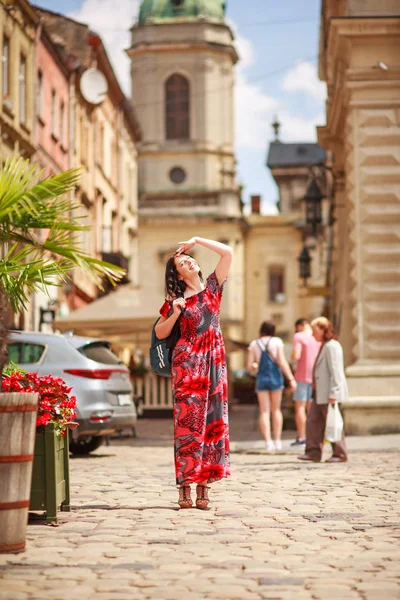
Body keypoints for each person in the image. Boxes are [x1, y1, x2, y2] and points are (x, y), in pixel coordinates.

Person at [155, 236, 232, 509]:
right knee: (187, 425)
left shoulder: (213, 287)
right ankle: (184, 487)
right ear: (178, 274)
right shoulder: (175, 300)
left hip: (213, 362)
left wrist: (196, 240)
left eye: (189, 258)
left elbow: (228, 253)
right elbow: (159, 332)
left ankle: (203, 486)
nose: (188, 260)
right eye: (182, 263)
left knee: (212, 424)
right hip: (187, 365)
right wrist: (176, 313)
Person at [298, 317, 348, 463]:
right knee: (313, 420)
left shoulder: (332, 346)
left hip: (329, 394)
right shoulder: (325, 345)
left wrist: (334, 392)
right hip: (320, 393)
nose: (313, 335)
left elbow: (336, 371)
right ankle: (313, 452)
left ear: (322, 330)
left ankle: (340, 453)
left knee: (333, 423)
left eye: (314, 331)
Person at [248, 321, 296, 452]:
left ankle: (268, 442)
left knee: (264, 411)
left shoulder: (254, 344)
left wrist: (254, 368)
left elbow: (250, 366)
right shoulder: (277, 342)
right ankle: (277, 440)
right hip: (275, 378)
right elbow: (281, 361)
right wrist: (291, 378)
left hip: (261, 378)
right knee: (276, 410)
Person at [290, 318, 321, 446]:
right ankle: (314, 436)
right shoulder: (316, 337)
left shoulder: (298, 336)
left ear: (298, 326)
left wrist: (292, 357)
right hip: (315, 376)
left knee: (300, 408)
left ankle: (302, 437)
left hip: (301, 376)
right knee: (312, 408)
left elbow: (296, 355)